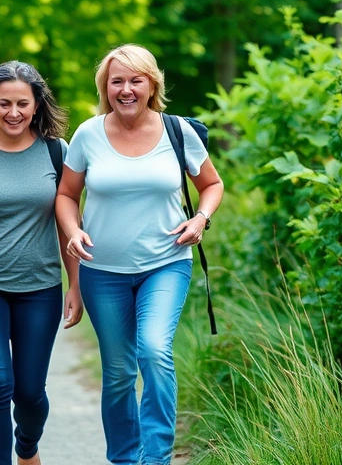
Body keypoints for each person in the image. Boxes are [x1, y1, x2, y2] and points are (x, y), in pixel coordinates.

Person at [55, 44, 224, 465]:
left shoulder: (177, 131)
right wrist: (73, 231)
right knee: (117, 373)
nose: (126, 89)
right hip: (103, 271)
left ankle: (156, 458)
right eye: (117, 81)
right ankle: (125, 458)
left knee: (153, 350)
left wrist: (200, 219)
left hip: (166, 263)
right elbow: (65, 195)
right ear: (105, 87)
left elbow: (213, 185)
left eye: (136, 80)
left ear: (152, 85)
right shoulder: (88, 134)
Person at [0, 61, 84, 465]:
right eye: (4, 103)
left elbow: (68, 225)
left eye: (22, 104)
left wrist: (74, 286)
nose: (13, 112)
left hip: (39, 286)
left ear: (37, 104)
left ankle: (27, 448)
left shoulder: (57, 151)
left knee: (29, 393)